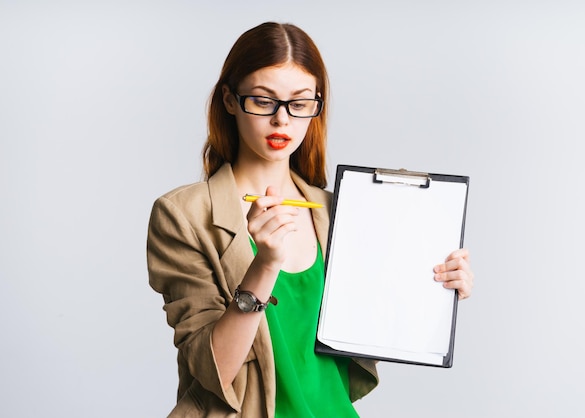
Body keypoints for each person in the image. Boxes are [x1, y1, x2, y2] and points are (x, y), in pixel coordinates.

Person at [147, 21, 474, 418]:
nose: (282, 120)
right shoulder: (183, 215)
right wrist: (264, 266)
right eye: (264, 101)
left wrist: (435, 285)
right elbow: (214, 369)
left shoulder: (341, 210)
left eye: (299, 103)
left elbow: (376, 321)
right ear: (230, 100)